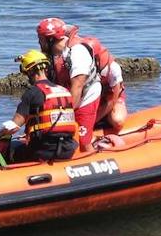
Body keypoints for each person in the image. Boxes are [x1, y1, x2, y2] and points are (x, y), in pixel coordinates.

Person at [36, 17, 127, 148]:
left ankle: (99, 139)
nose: (39, 42)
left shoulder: (78, 54)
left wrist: (66, 117)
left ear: (50, 39)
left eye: (41, 39)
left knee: (86, 140)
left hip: (92, 93)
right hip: (78, 94)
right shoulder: (56, 55)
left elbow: (77, 87)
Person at [0, 49, 78, 163]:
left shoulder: (33, 93)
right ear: (46, 68)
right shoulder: (64, 90)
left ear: (29, 72)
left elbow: (13, 126)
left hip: (44, 151)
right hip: (67, 149)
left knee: (11, 149)